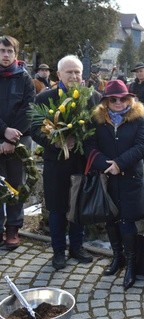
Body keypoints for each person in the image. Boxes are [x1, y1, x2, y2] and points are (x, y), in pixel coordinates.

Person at [31, 54, 100, 270]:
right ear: (58, 74)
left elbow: (99, 130)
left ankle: (77, 247)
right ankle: (58, 250)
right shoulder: (44, 98)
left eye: (77, 72)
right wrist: (59, 141)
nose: (73, 75)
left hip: (81, 163)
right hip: (56, 163)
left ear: (83, 75)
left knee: (78, 207)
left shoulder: (94, 98)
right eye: (68, 72)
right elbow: (35, 130)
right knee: (58, 208)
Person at [84, 79, 144, 290]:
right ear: (106, 102)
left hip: (129, 178)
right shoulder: (98, 121)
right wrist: (106, 165)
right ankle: (117, 257)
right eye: (114, 99)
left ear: (129, 98)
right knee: (111, 219)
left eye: (123, 98)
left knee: (127, 221)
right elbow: (90, 147)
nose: (119, 103)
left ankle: (131, 264)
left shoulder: (138, 119)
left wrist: (119, 164)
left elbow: (142, 147)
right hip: (108, 179)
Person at [0, 35, 35, 250]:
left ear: (16, 54)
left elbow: (28, 109)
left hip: (19, 140)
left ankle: (13, 228)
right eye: (2, 51)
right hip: (1, 136)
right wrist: (4, 131)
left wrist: (13, 137)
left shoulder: (24, 78)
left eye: (9, 51)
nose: (5, 55)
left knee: (16, 184)